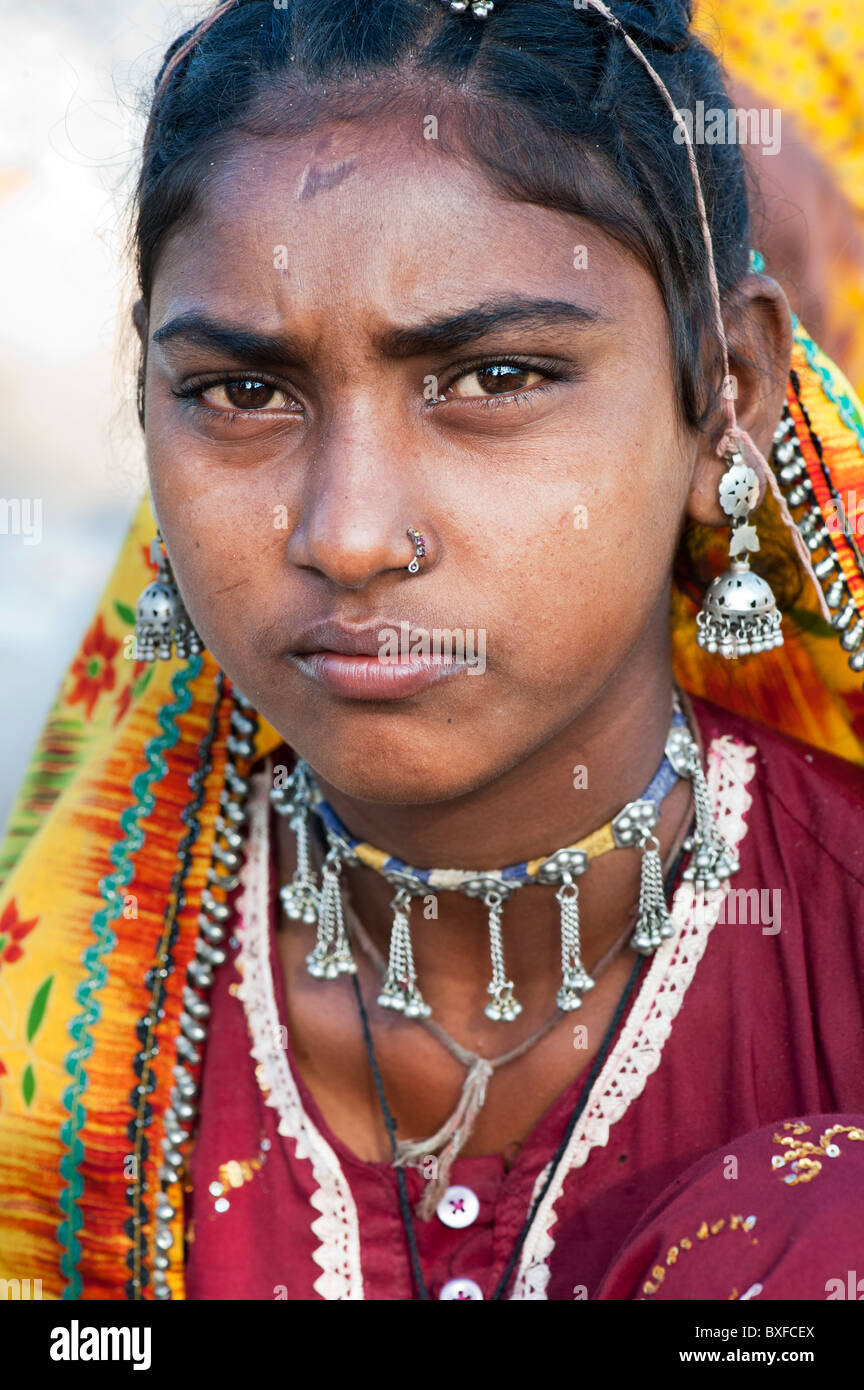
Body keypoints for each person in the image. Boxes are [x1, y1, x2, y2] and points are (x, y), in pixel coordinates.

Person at [0, 0, 863, 1303]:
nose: (347, 534)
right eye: (241, 392)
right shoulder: (61, 1063)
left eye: (495, 376)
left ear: (726, 394)